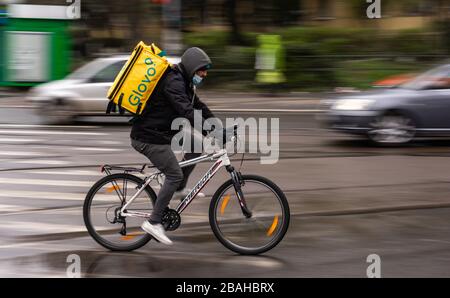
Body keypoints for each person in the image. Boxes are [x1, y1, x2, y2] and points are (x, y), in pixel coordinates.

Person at [130, 47, 217, 245]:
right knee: (174, 173)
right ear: (192, 67)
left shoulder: (184, 82)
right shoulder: (174, 82)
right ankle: (153, 222)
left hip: (164, 131)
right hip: (148, 136)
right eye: (202, 70)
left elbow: (198, 106)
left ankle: (178, 189)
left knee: (195, 143)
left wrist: (217, 125)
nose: (204, 74)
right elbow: (186, 111)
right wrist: (209, 129)